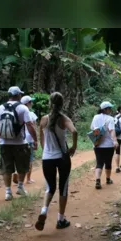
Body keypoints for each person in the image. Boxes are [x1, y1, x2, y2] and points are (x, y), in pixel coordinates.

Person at [35, 92, 78, 231]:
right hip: (62, 158)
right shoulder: (64, 119)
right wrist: (73, 147)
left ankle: (43, 211)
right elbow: (75, 131)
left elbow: (41, 135)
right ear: (62, 103)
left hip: (47, 158)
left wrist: (45, 149)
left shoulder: (43, 119)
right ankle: (60, 219)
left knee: (50, 187)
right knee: (63, 187)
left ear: (49, 103)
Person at [0, 86, 38, 201]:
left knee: (6, 167)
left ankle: (8, 192)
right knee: (22, 165)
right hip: (20, 143)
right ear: (18, 95)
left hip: (4, 143)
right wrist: (35, 140)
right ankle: (20, 187)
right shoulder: (23, 108)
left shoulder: (0, 108)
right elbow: (30, 125)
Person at [90, 101, 118, 189]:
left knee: (99, 163)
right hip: (108, 145)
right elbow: (112, 131)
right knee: (108, 162)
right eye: (109, 108)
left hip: (97, 144)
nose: (111, 110)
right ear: (105, 109)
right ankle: (108, 179)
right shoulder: (110, 118)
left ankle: (98, 180)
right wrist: (115, 141)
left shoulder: (95, 117)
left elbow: (92, 128)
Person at [20, 95, 38, 184]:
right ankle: (28, 179)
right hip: (30, 139)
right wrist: (36, 139)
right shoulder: (31, 114)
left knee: (21, 159)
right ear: (27, 103)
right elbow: (34, 127)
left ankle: (18, 175)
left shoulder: (18, 113)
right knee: (29, 159)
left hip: (20, 139)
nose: (32, 103)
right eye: (31, 102)